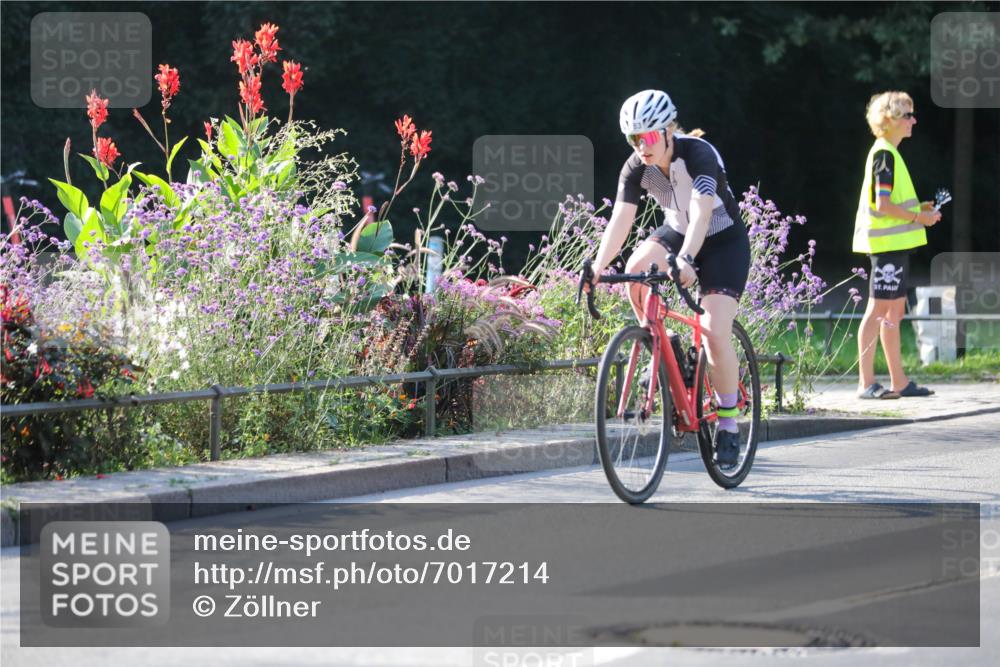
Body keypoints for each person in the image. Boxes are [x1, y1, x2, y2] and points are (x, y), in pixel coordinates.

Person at [585, 89, 751, 467]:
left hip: (721, 241)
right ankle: (663, 344)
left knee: (713, 332)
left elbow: (702, 212)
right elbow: (621, 220)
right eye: (632, 138)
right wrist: (597, 266)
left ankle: (728, 421)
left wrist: (688, 259)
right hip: (678, 231)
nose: (640, 146)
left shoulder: (698, 155)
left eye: (646, 137)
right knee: (637, 270)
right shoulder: (637, 168)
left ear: (667, 131)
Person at [853, 91, 941, 399]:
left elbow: (889, 202)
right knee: (878, 311)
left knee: (894, 314)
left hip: (894, 248)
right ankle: (866, 384)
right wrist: (920, 216)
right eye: (907, 115)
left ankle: (899, 382)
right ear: (888, 121)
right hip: (886, 249)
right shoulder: (885, 155)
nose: (913, 120)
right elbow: (883, 205)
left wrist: (920, 209)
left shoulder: (889, 152)